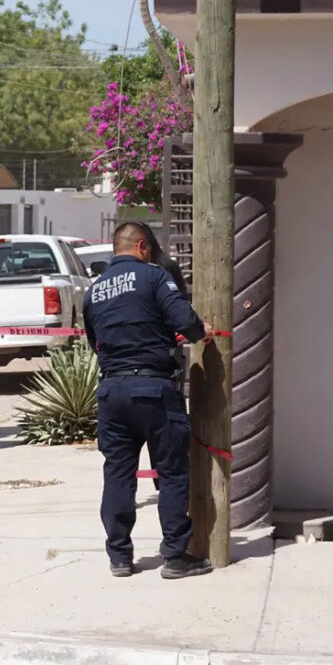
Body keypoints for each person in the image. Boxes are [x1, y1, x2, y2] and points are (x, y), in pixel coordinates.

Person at [83, 221, 215, 580]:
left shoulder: (93, 291)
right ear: (142, 246)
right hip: (154, 390)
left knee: (118, 474)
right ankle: (175, 556)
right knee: (172, 473)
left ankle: (120, 557)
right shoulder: (154, 278)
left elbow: (93, 341)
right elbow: (185, 321)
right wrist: (202, 332)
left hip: (111, 392)